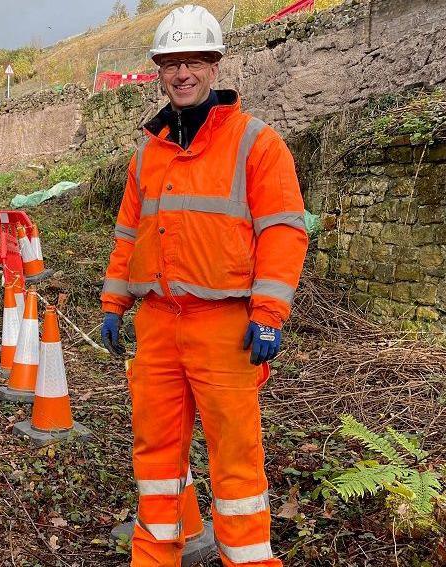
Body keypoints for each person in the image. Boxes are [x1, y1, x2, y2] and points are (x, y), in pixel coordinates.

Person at [99, 5, 309, 566]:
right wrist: (114, 303)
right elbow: (128, 236)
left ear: (215, 66)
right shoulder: (148, 152)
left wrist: (268, 313)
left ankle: (249, 560)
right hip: (159, 326)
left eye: (193, 60)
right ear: (159, 72)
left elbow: (284, 232)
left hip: (226, 329)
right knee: (156, 459)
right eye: (171, 63)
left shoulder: (255, 144)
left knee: (236, 459)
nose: (182, 72)